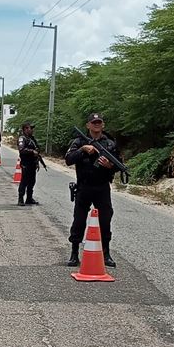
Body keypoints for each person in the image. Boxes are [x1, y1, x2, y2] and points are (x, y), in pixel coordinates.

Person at [65, 113, 120, 267]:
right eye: (93, 122)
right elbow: (69, 160)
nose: (96, 125)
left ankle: (106, 253)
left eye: (99, 122)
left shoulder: (110, 144)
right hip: (84, 186)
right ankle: (74, 253)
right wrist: (83, 149)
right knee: (79, 220)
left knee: (105, 220)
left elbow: (118, 164)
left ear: (103, 125)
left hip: (102, 187)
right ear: (88, 125)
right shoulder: (79, 142)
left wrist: (109, 166)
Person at [17, 121, 41, 206]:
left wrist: (37, 162)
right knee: (24, 181)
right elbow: (22, 150)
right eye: (31, 128)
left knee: (32, 181)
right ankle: (20, 199)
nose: (32, 130)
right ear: (25, 129)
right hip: (26, 163)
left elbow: (37, 151)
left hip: (32, 163)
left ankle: (29, 198)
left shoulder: (32, 139)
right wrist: (32, 151)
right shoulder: (22, 138)